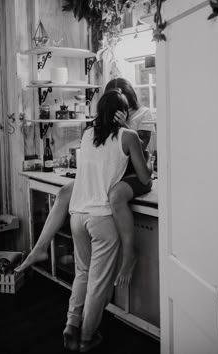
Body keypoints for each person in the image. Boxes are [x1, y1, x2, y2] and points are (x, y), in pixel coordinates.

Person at [15, 78, 154, 288]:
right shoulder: (103, 121)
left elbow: (139, 151)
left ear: (128, 97)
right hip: (108, 172)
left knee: (112, 196)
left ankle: (127, 256)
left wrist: (125, 126)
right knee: (63, 193)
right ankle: (40, 248)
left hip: (130, 173)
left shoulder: (143, 114)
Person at [62, 89, 152, 352]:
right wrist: (128, 130)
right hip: (101, 219)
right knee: (98, 284)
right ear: (123, 112)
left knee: (83, 274)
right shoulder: (129, 135)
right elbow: (145, 177)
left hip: (77, 215)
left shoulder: (87, 134)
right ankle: (88, 338)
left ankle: (71, 326)